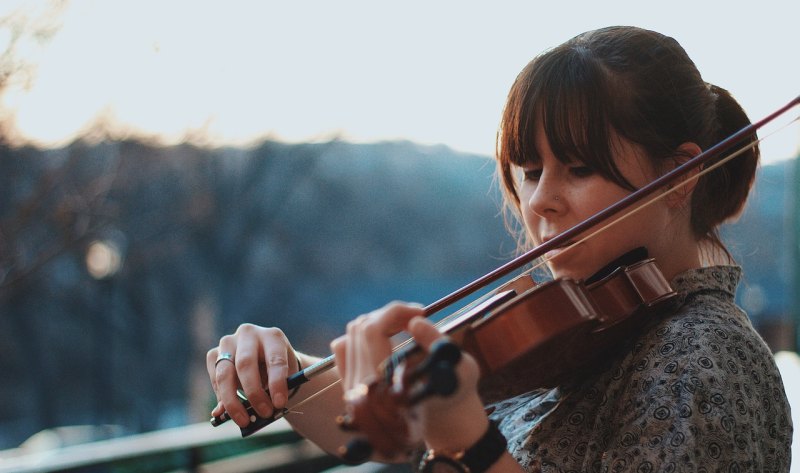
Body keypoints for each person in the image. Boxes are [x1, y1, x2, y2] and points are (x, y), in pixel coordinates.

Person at [206, 26, 793, 472]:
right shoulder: (585, 330)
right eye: (531, 170)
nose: (540, 202)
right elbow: (367, 433)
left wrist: (470, 445)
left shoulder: (703, 357)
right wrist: (290, 372)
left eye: (579, 167)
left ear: (678, 176)